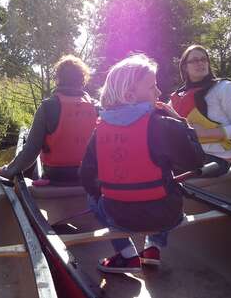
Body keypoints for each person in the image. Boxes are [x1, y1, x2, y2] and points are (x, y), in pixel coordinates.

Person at [80, 54, 205, 274]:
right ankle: (153, 246)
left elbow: (86, 176)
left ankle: (127, 255)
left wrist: (109, 192)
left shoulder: (99, 131)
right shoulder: (166, 125)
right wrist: (183, 123)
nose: (158, 92)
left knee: (92, 196)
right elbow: (196, 162)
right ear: (129, 95)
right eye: (152, 87)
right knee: (167, 179)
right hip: (166, 216)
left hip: (116, 215)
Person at [0, 55, 98, 185]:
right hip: (89, 175)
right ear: (83, 80)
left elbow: (31, 151)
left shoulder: (48, 106)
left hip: (56, 175)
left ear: (58, 79)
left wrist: (6, 171)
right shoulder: (96, 106)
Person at [170, 44, 231, 177]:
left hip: (218, 159)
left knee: (161, 166)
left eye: (204, 59)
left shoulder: (225, 88)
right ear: (185, 67)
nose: (200, 63)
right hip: (190, 154)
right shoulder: (179, 95)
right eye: (195, 60)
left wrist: (206, 132)